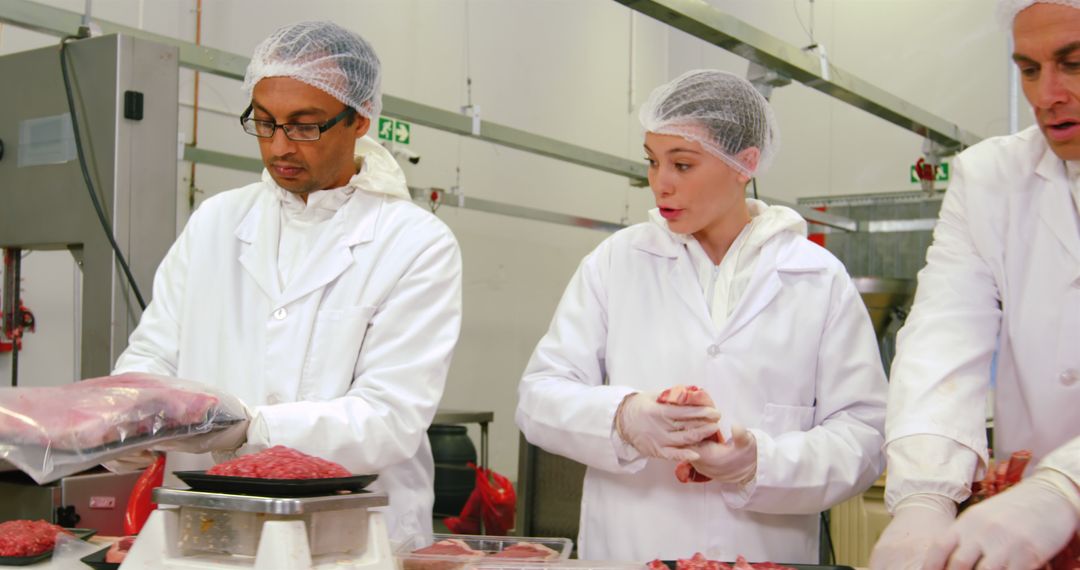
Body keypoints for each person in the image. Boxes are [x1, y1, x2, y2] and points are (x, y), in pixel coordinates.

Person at [516, 69, 887, 564]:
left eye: (683, 164)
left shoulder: (817, 278)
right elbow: (538, 397)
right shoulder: (616, 261)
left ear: (744, 164)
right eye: (652, 162)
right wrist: (624, 418)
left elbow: (863, 436)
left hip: (760, 553)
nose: (660, 184)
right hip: (631, 550)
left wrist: (759, 461)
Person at [111, 21, 462, 541]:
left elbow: (388, 419)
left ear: (360, 119)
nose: (279, 147)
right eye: (264, 122)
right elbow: (152, 358)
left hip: (346, 530)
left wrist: (252, 426)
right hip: (210, 522)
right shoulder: (216, 220)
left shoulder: (416, 243)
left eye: (304, 125)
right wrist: (129, 418)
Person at [869, 2, 1080, 569]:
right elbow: (945, 330)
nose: (1046, 95)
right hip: (1030, 539)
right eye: (1029, 69)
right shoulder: (990, 177)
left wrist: (1066, 486)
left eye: (1074, 64)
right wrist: (924, 493)